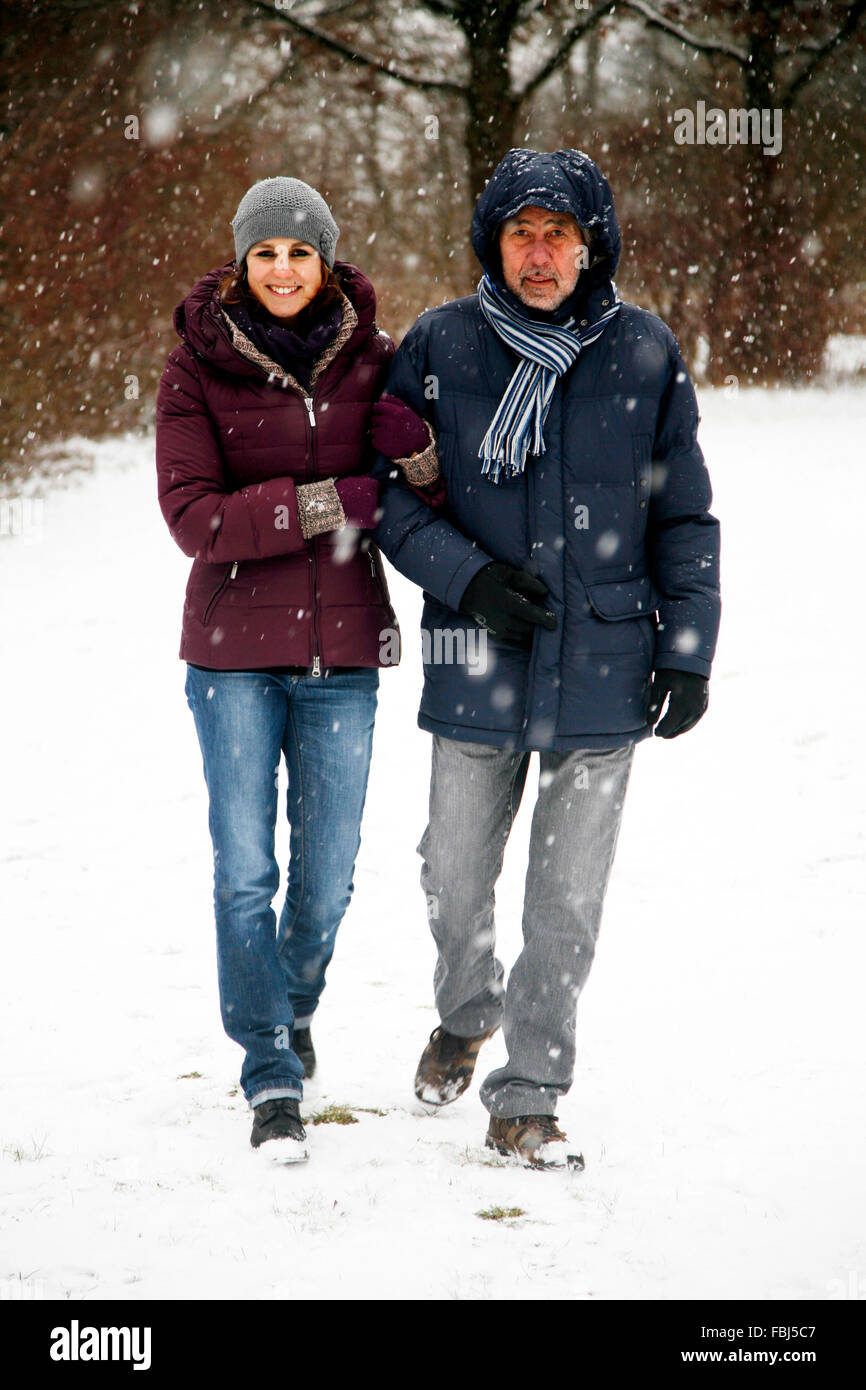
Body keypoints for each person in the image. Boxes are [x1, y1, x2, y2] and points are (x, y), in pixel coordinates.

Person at [374, 148, 721, 1169]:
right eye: (519, 232)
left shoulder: (644, 355)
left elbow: (683, 515)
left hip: (604, 665)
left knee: (564, 903)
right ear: (493, 242)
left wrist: (688, 648)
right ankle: (466, 1007)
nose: (537, 252)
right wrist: (467, 577)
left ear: (589, 244)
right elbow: (386, 495)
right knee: (452, 875)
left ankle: (526, 1091)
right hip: (474, 659)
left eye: (557, 233)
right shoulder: (440, 345)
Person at [156, 177, 430, 1161]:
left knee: (324, 880)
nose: (280, 269)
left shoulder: (378, 361)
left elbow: (417, 497)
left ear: (324, 261)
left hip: (343, 654)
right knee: (245, 871)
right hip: (231, 660)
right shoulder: (193, 367)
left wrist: (422, 453)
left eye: (298, 253)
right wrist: (322, 502)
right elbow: (196, 521)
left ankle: (290, 1000)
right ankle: (269, 1067)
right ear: (241, 260)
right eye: (263, 253)